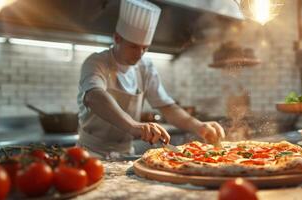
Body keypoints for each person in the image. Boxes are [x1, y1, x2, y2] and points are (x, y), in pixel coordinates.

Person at [77, 0, 225, 158]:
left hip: (125, 153)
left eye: (145, 48)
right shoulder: (96, 62)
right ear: (117, 39)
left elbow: (167, 107)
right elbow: (94, 96)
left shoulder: (145, 67)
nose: (140, 53)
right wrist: (134, 126)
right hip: (91, 153)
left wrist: (199, 126)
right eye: (134, 46)